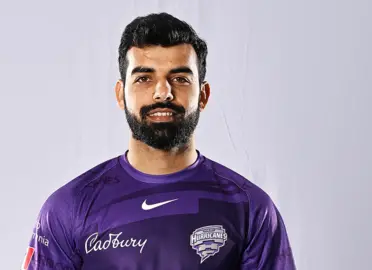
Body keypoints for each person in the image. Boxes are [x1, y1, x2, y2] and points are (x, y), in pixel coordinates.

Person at [21, 12, 296, 270]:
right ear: (120, 95)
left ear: (203, 95)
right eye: (144, 78)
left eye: (179, 78)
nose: (162, 93)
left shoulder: (250, 209)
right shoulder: (69, 208)